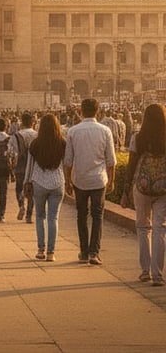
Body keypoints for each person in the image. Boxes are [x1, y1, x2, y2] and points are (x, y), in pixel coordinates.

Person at [64, 97, 116, 266]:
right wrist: (112, 180)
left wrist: (67, 181)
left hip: (80, 180)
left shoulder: (73, 131)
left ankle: (84, 252)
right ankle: (94, 252)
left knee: (81, 216)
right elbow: (111, 161)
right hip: (99, 180)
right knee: (97, 216)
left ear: (80, 111)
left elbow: (68, 161)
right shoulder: (105, 130)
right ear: (98, 111)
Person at [120, 103, 166, 286]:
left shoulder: (138, 138)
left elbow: (131, 166)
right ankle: (158, 274)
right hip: (163, 188)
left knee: (142, 227)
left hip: (142, 187)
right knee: (159, 228)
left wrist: (125, 191)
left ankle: (145, 271)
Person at [24, 113, 66, 261]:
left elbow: (29, 167)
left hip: (39, 182)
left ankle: (41, 250)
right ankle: (51, 253)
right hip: (57, 182)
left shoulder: (35, 144)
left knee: (40, 217)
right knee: (53, 218)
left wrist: (26, 182)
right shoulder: (62, 143)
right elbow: (66, 165)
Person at [8, 111, 37, 222]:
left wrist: (11, 167)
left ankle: (21, 206)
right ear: (32, 122)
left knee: (19, 188)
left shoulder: (16, 136)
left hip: (20, 166)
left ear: (22, 122)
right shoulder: (36, 135)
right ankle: (29, 215)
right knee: (31, 191)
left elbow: (11, 152)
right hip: (34, 167)